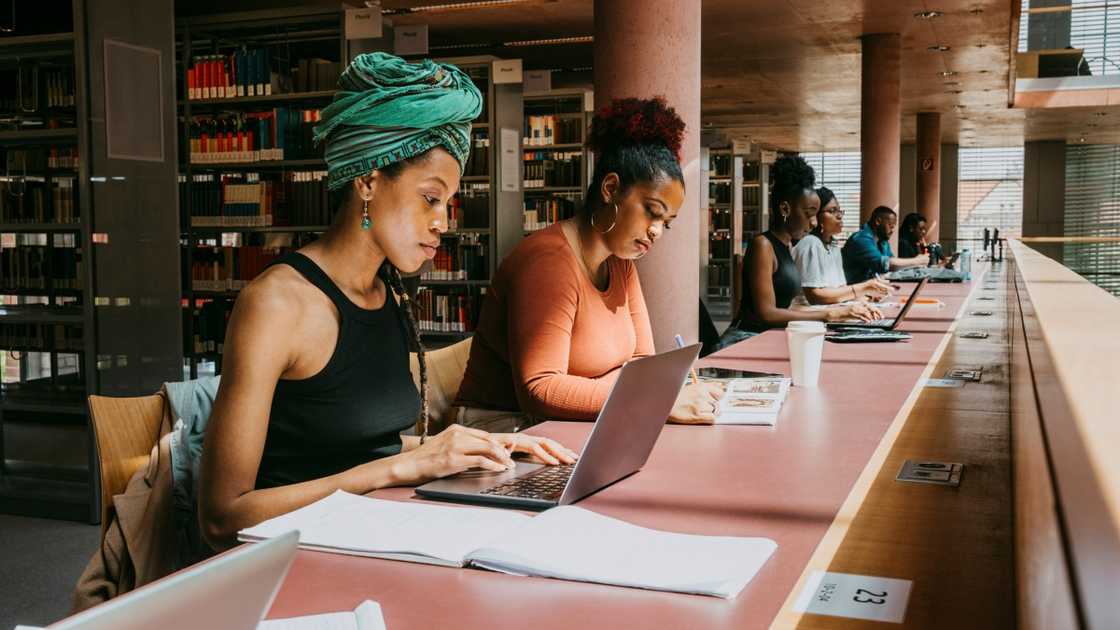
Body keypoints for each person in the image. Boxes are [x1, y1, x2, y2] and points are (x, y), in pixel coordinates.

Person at [197, 53, 576, 551]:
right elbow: (223, 517)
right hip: (288, 560)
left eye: (450, 203)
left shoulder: (388, 291)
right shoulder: (277, 305)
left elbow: (357, 444)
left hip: (370, 536)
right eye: (430, 198)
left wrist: (469, 447)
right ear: (369, 181)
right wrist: (399, 466)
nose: (445, 222)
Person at [454, 97, 723, 428]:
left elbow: (640, 362)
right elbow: (541, 389)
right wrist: (651, 399)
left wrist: (641, 392)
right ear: (611, 188)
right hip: (502, 429)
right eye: (652, 212)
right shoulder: (548, 264)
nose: (656, 232)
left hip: (570, 424)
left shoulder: (621, 261)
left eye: (666, 222)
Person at [727, 156, 878, 337]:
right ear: (785, 209)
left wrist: (847, 309)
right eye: (809, 214)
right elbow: (767, 313)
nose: (814, 223)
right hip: (747, 337)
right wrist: (830, 314)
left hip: (770, 335)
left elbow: (786, 307)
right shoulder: (763, 245)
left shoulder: (787, 245)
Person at [793, 186, 890, 305]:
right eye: (832, 211)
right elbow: (815, 296)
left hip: (832, 312)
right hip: (809, 318)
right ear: (817, 216)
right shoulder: (810, 243)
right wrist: (864, 287)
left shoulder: (834, 248)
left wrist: (867, 298)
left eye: (839, 211)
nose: (839, 216)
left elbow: (840, 290)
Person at [841, 206, 930, 283]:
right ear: (878, 221)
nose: (892, 230)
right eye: (891, 226)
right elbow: (886, 264)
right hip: (852, 290)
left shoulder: (882, 241)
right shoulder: (861, 239)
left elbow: (893, 264)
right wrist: (917, 260)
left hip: (869, 289)